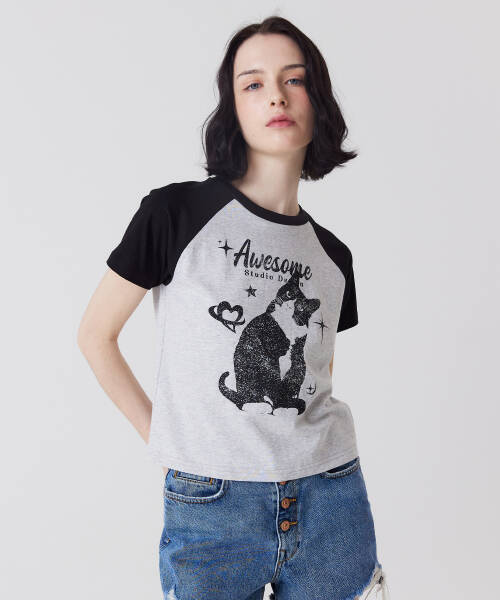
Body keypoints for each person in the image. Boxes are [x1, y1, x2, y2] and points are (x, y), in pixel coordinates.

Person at [78, 15, 390, 600]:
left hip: (332, 499)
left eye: (294, 79)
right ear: (233, 109)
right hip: (211, 506)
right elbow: (95, 336)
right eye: (253, 83)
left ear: (317, 100)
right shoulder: (173, 215)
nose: (276, 95)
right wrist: (169, 446)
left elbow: (317, 377)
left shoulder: (333, 257)